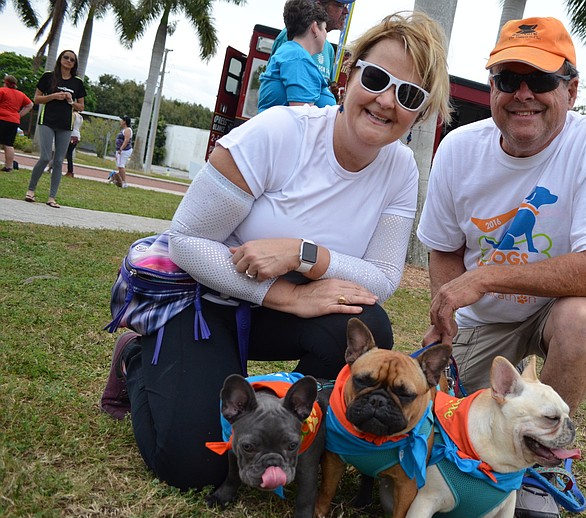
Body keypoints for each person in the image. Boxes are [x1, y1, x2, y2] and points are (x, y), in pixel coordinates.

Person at [100, 11, 451, 493]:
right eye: (376, 79)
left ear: (420, 113)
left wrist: (303, 254)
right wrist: (288, 295)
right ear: (348, 75)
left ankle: (294, 432)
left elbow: (383, 277)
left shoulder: (401, 169)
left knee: (366, 320)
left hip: (279, 315)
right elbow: (186, 242)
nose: (387, 101)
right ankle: (137, 358)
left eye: (409, 95)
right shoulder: (281, 132)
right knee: (195, 465)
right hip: (205, 300)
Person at [417, 17, 586, 518]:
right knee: (453, 435)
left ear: (571, 90)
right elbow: (444, 248)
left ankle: (543, 467)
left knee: (581, 318)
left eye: (540, 80)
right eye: (507, 79)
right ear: (492, 88)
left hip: (553, 309)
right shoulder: (459, 148)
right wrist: (447, 313)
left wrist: (486, 277)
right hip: (484, 319)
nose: (523, 94)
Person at [24, 49, 86, 208]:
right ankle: (31, 190)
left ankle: (52, 197)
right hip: (47, 121)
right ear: (60, 59)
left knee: (58, 161)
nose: (69, 61)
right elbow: (36, 99)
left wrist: (70, 101)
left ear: (75, 64)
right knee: (45, 157)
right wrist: (53, 96)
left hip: (65, 125)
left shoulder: (77, 82)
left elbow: (81, 107)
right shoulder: (48, 77)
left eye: (72, 60)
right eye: (66, 57)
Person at [258, 0, 334, 111]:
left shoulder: (291, 53)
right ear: (314, 28)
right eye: (324, 28)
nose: (326, 34)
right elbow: (302, 115)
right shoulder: (298, 57)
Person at [271, 0, 355, 100]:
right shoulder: (292, 38)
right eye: (340, 5)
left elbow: (327, 87)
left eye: (346, 6)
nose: (346, 11)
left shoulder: (329, 49)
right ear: (319, 6)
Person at [0, 74, 33, 172]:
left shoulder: (2, 91)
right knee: (8, 144)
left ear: (6, 83)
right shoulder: (20, 94)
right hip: (14, 121)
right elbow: (30, 104)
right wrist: (19, 115)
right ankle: (9, 166)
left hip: (2, 118)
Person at [108, 116, 133, 187]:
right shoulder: (124, 130)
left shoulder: (127, 130)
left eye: (121, 120)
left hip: (124, 150)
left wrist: (121, 148)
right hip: (121, 150)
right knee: (119, 166)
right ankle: (117, 178)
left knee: (121, 166)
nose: (120, 121)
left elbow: (126, 140)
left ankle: (124, 182)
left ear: (125, 122)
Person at [64, 110, 83, 177]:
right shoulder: (81, 117)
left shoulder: (73, 115)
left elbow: (71, 125)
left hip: (72, 135)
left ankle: (70, 171)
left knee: (68, 153)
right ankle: (70, 171)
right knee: (69, 153)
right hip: (77, 135)